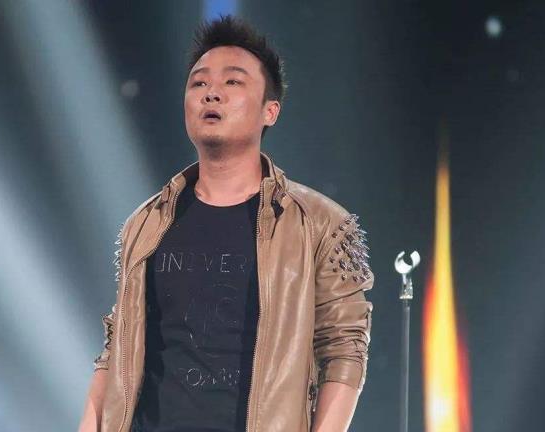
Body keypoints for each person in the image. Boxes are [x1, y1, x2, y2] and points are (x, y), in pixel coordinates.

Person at [79, 15, 374, 432]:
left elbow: (345, 349)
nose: (211, 92)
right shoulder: (146, 223)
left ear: (270, 110)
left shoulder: (321, 224)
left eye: (232, 82)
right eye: (198, 83)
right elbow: (118, 345)